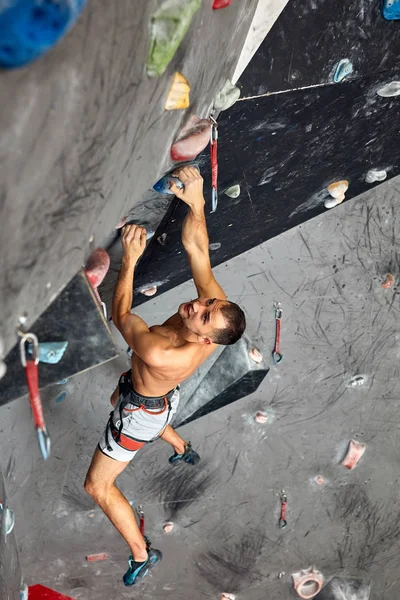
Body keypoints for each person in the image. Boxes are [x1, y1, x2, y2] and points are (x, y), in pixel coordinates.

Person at [84, 166, 246, 586]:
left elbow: (121, 315)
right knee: (126, 401)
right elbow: (198, 249)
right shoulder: (215, 312)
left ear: (207, 341)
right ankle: (179, 444)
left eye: (204, 314)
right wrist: (194, 201)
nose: (196, 305)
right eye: (206, 302)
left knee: (97, 487)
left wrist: (131, 260)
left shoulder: (162, 351)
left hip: (142, 411)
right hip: (157, 397)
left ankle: (141, 552)